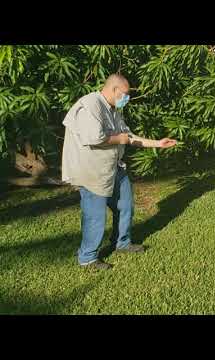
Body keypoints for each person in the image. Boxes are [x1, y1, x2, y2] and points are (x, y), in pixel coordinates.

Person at [61, 73, 177, 270]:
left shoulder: (114, 110)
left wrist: (158, 143)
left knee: (126, 205)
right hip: (92, 171)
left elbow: (129, 136)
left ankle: (121, 243)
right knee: (94, 216)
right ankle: (87, 258)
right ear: (114, 90)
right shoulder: (90, 106)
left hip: (113, 167)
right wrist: (119, 140)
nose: (126, 98)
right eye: (124, 94)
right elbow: (93, 138)